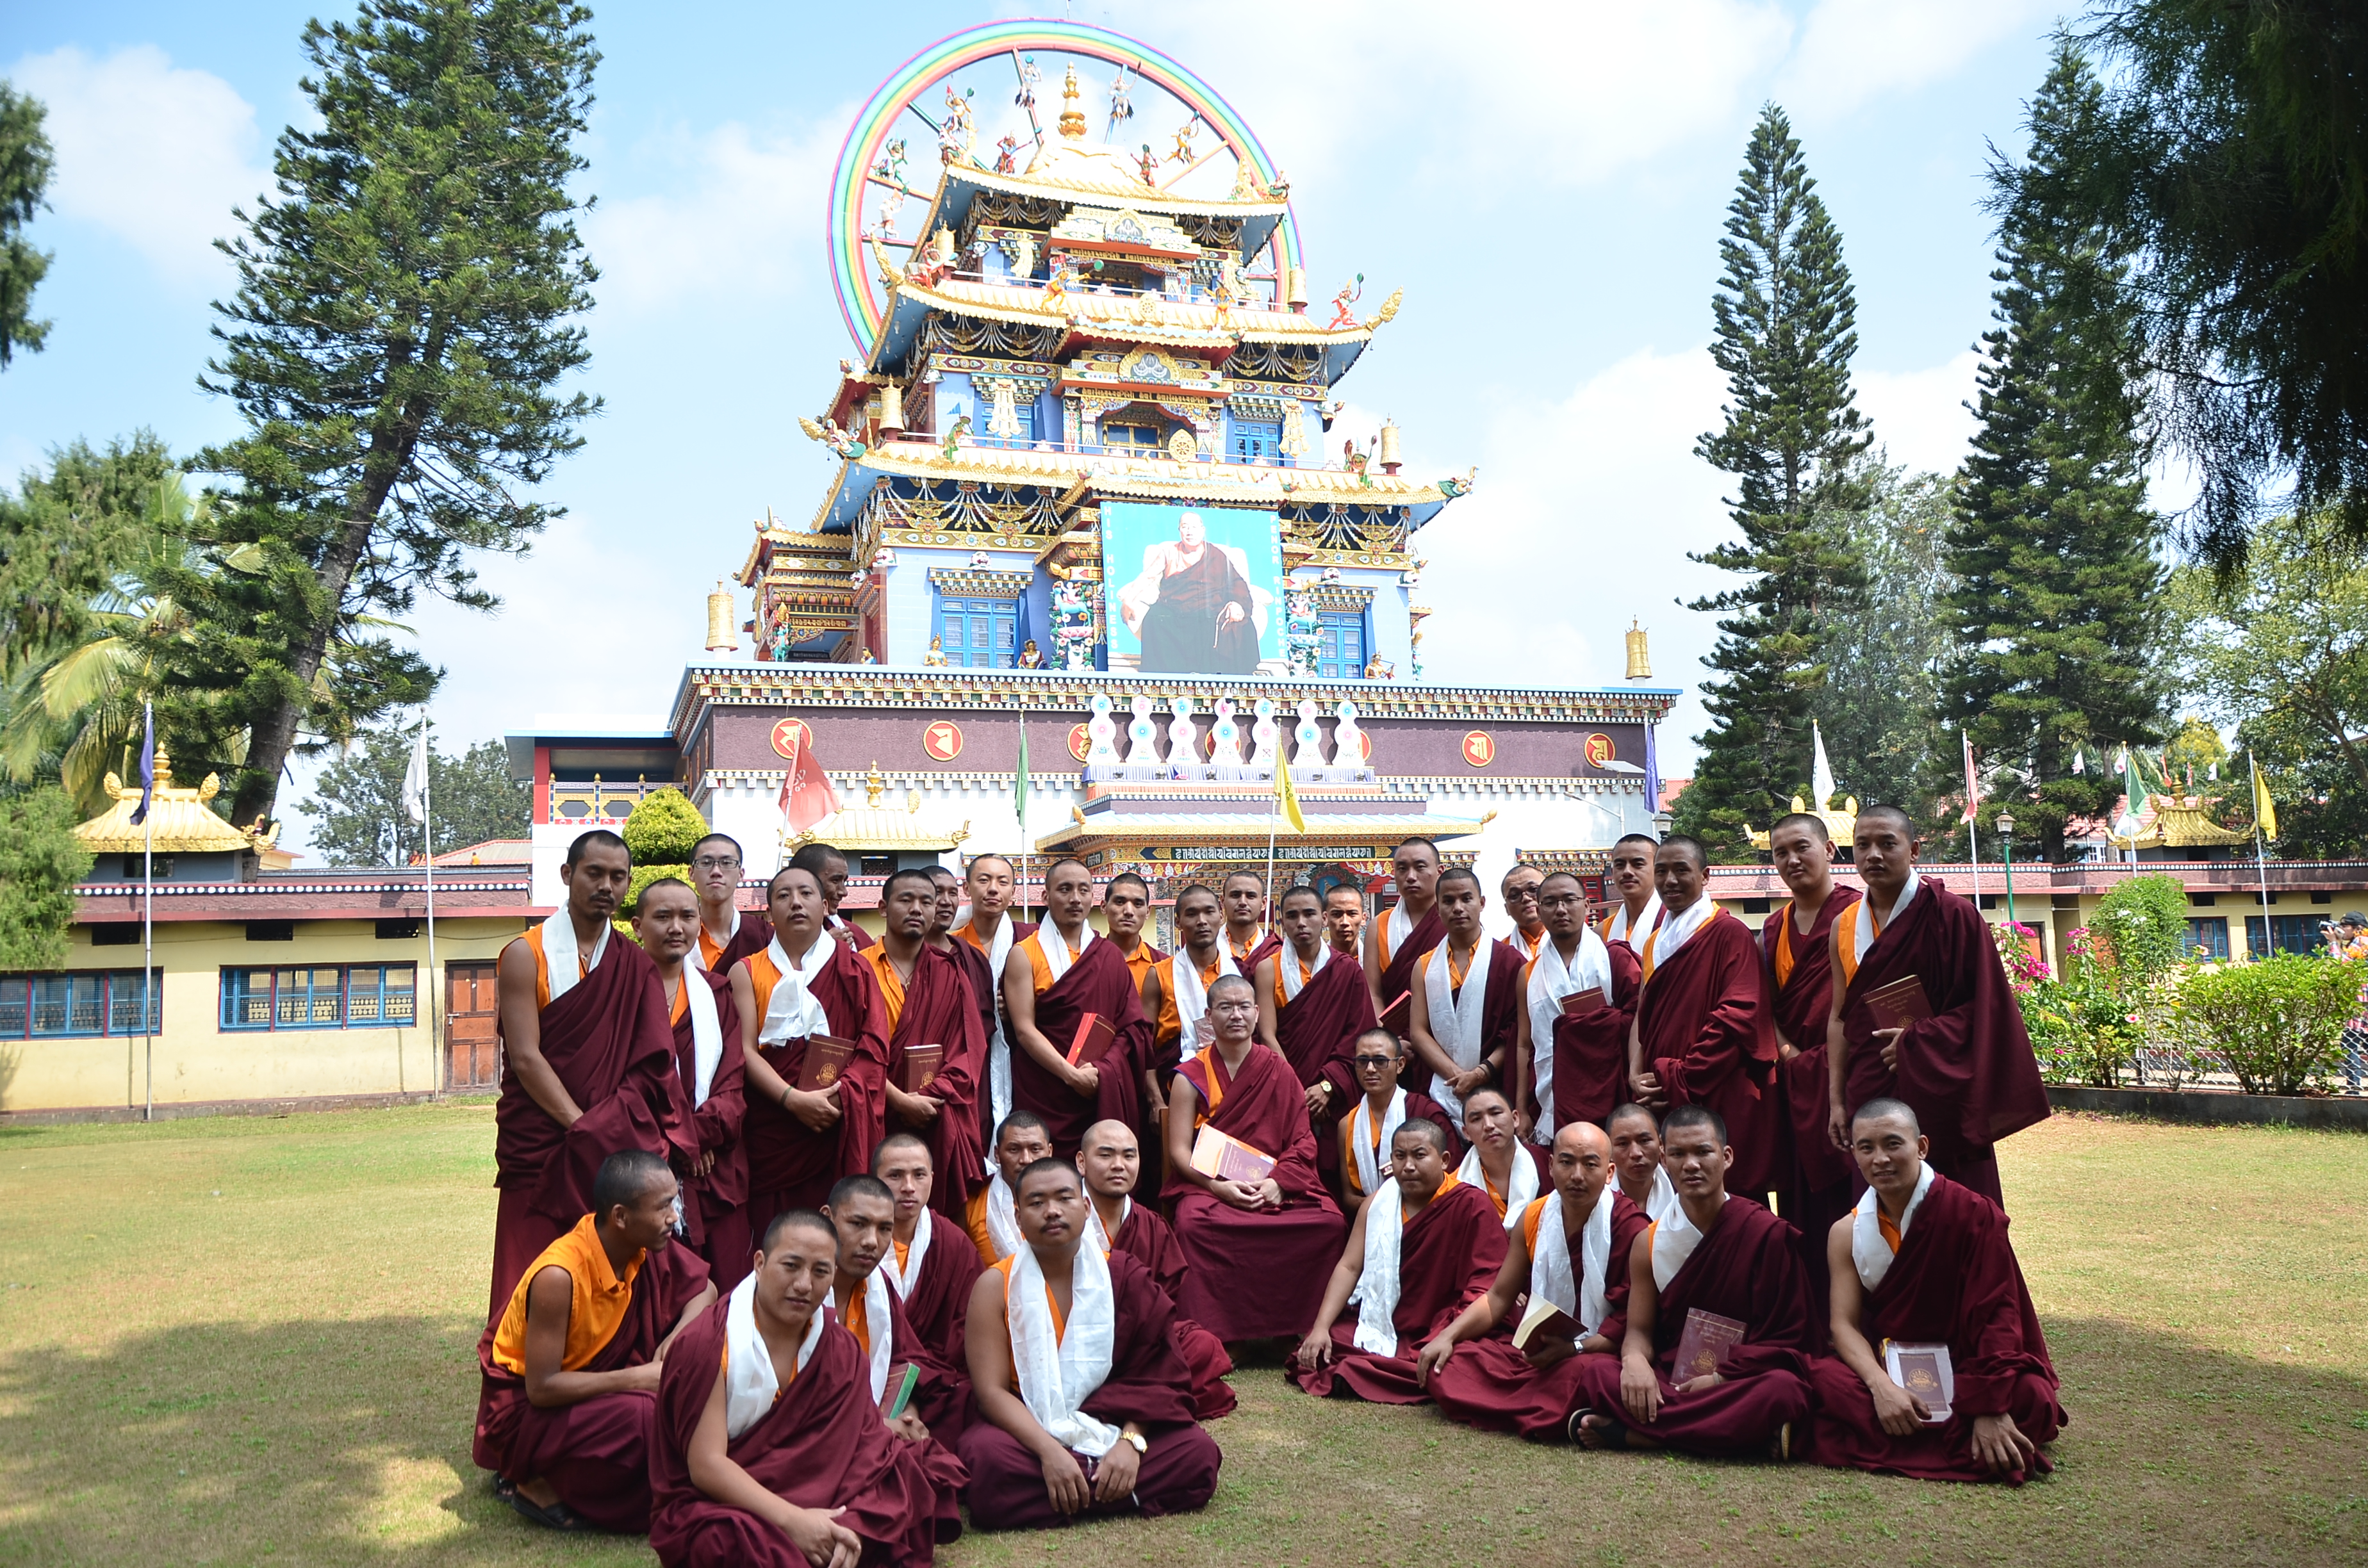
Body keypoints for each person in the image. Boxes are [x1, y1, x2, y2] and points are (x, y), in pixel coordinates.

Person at [647, 1209, 966, 1567]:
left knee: (903, 1474)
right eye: (791, 1266)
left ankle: (841, 1539)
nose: (804, 1285)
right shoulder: (707, 1343)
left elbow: (859, 1448)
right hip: (731, 1500)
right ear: (760, 1262)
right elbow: (706, 1466)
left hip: (822, 1489)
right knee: (724, 1543)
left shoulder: (838, 1347)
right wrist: (795, 1522)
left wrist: (843, 1521)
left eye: (820, 1271)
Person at [1811, 1099, 2065, 1484]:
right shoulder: (1846, 1232)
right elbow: (1843, 1325)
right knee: (1823, 1383)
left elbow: (1996, 1314)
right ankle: (1958, 1440)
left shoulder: (1972, 1214)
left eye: (1893, 1144)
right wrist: (1882, 1389)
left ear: (1922, 1147)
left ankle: (1910, 1436)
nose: (1880, 1159)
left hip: (1967, 1364)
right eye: (1866, 1148)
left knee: (2032, 1397)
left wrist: (1987, 1403)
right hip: (1892, 1365)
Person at [960, 1158, 1223, 1528]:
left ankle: (1073, 1492)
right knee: (987, 1460)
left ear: (1085, 1207)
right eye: (1036, 1203)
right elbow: (991, 1393)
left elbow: (1155, 1379)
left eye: (1064, 1198)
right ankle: (1110, 1490)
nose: (1052, 1211)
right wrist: (1050, 1452)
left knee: (1197, 1454)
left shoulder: (1123, 1274)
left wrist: (1132, 1445)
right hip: (1032, 1427)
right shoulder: (994, 1286)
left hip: (1113, 1418)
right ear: (1018, 1218)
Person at [490, 829, 689, 1318]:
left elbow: (651, 1063)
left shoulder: (634, 965)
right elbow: (526, 1057)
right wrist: (583, 1127)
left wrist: (606, 1129)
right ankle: (522, 1380)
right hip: (547, 1146)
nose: (607, 886)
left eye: (618, 877)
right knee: (532, 1273)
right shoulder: (525, 953)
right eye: (594, 873)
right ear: (567, 875)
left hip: (607, 1147)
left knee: (607, 1277)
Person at [475, 1150, 717, 1531]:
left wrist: (673, 1343)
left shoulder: (638, 1244)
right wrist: (641, 1378)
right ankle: (540, 1483)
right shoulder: (560, 1276)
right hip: (529, 1415)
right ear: (621, 1216)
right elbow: (541, 1388)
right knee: (648, 1417)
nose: (674, 1217)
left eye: (674, 1202)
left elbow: (705, 1291)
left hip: (597, 1392)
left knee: (698, 1394)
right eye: (663, 1207)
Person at [1825, 805, 2051, 1209]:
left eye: (1887, 844)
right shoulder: (1843, 925)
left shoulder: (1953, 916)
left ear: (1914, 851)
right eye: (1862, 845)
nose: (1873, 855)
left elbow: (1988, 1011)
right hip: (1871, 1087)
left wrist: (1918, 1042)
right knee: (1878, 1213)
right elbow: (1839, 1017)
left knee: (1952, 1209)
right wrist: (1837, 1100)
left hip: (1941, 1089)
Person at [1571, 1106, 1814, 1457]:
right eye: (1678, 1154)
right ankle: (1744, 1438)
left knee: (1784, 1389)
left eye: (1703, 1152)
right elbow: (1639, 1329)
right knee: (1599, 1376)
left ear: (1726, 1156)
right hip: (1673, 1376)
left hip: (1739, 1378)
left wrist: (1720, 1379)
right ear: (1664, 1161)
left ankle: (1642, 1436)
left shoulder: (1765, 1232)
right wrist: (1636, 1362)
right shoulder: (1649, 1241)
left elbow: (1789, 1338)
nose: (1691, 1165)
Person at [1422, 1122, 1652, 1440]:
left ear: (1610, 1172)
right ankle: (1553, 1412)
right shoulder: (1533, 1217)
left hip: (1592, 1351)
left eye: (1590, 1164)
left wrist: (1574, 1348)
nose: (1577, 1176)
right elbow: (1500, 1296)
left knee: (1593, 1376)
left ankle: (1534, 1406)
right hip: (1538, 1353)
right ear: (1551, 1165)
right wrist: (1448, 1336)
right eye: (1567, 1162)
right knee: (1456, 1362)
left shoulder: (1632, 1227)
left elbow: (1633, 1323)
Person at [1163, 974, 1349, 1344]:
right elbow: (1180, 1152)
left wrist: (1279, 1183)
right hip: (1211, 1187)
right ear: (1208, 1015)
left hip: (1271, 1182)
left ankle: (1298, 1326)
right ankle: (1217, 1333)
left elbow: (1302, 1139)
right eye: (1226, 1007)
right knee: (1192, 1225)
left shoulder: (1278, 1070)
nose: (1236, 1015)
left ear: (1257, 1012)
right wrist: (1218, 1188)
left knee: (1328, 1223)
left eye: (1244, 1006)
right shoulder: (1190, 1077)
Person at [1288, 1119, 1504, 1403]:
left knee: (1465, 1359)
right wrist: (1320, 1328)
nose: (1409, 1166)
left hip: (1444, 1322)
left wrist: (1449, 1334)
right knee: (1322, 1345)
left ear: (1445, 1160)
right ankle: (1374, 1372)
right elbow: (1349, 1266)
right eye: (1400, 1157)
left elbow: (1487, 1288)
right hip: (1386, 1320)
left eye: (1419, 1155)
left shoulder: (1471, 1205)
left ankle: (1365, 1374)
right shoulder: (1378, 1205)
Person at [730, 865, 890, 1230]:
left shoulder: (855, 968)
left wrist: (842, 1095)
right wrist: (792, 1100)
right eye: (783, 896)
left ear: (824, 905)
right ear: (769, 914)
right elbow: (744, 1052)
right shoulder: (747, 971)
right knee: (775, 1232)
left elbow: (874, 1045)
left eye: (806, 894)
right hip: (773, 1127)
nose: (796, 903)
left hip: (837, 1121)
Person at [1627, 836, 1782, 1200]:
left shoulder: (1729, 933)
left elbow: (1738, 1016)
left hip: (1718, 1084)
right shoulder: (1653, 943)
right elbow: (1645, 1013)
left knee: (1729, 1194)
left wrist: (1681, 1075)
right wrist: (1637, 1072)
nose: (1670, 881)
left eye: (1682, 870)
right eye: (1661, 871)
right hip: (1664, 1088)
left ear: (1705, 875)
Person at [1076, 1117, 1237, 1420]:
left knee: (1201, 1345)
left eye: (1129, 1155)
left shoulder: (1151, 1226)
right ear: (1081, 1162)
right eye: (1106, 1155)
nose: (1119, 1165)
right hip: (1077, 1340)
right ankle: (1147, 1397)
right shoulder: (1062, 1219)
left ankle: (1114, 1396)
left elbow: (1166, 1305)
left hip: (1140, 1345)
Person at [1761, 812, 1862, 1298]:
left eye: (1802, 847)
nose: (1791, 860)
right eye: (1780, 853)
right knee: (1802, 1202)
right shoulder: (1772, 927)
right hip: (1798, 1080)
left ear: (1830, 851)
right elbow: (1766, 1004)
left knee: (1856, 1194)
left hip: (1854, 1076)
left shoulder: (1860, 914)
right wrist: (1789, 1053)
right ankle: (1815, 1312)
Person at [636, 878, 752, 1289]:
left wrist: (698, 1138)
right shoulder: (620, 993)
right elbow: (619, 1086)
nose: (676, 927)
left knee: (724, 1287)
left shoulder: (718, 993)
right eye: (662, 917)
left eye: (687, 916)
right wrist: (682, 1142)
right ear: (637, 925)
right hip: (646, 1162)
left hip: (713, 1163)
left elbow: (732, 1081)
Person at [1001, 858, 1153, 1160]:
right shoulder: (1024, 954)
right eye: (1065, 889)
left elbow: (1131, 1026)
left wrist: (1103, 1069)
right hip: (1043, 1086)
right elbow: (1024, 1029)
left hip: (1097, 1087)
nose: (1075, 899)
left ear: (1092, 898)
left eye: (1083, 890)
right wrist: (1071, 1075)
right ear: (1045, 896)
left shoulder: (1108, 955)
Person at [865, 869, 988, 1223]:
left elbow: (969, 1050)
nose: (917, 908)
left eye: (926, 901)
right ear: (883, 908)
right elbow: (849, 1053)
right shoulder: (858, 968)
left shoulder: (950, 972)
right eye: (906, 900)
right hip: (874, 1111)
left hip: (936, 1113)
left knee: (938, 1223)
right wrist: (899, 1099)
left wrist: (933, 1094)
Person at [822, 1173, 970, 1444]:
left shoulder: (880, 1287)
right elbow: (796, 1397)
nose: (871, 1241)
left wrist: (907, 1411)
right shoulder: (798, 1290)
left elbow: (904, 1360)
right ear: (827, 1217)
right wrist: (877, 1426)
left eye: (884, 1229)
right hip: (822, 1437)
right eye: (858, 1224)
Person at [1254, 885, 1379, 1168]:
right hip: (1285, 1087)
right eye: (1292, 916)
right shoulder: (1267, 969)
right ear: (1281, 920)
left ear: (1323, 918)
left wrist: (1327, 1086)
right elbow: (1267, 1035)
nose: (1301, 923)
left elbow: (1358, 1036)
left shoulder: (1347, 970)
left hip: (1336, 1090)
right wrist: (1296, 1090)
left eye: (1309, 914)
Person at [1514, 870, 1639, 1143]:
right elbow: (1525, 1044)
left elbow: (1640, 1020)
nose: (1561, 909)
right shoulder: (1528, 974)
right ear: (1539, 910)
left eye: (1570, 900)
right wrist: (1522, 1109)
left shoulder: (1614, 958)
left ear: (1586, 905)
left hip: (1610, 1084)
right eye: (1550, 902)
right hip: (1554, 1091)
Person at [1406, 868, 1525, 1123]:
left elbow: (1516, 1031)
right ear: (1437, 908)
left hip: (1495, 1084)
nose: (1458, 908)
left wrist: (1481, 1074)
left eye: (1466, 899)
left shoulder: (1509, 962)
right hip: (1439, 1087)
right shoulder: (1424, 966)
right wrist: (1457, 1075)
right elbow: (1418, 1032)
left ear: (1482, 903)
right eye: (1448, 901)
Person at [873, 1132, 985, 1374]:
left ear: (932, 1179)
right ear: (874, 1179)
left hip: (936, 1373)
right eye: (895, 1175)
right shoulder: (857, 1243)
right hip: (869, 1365)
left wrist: (921, 1370)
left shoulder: (953, 1242)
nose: (909, 1187)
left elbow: (970, 1323)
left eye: (919, 1175)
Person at [1117, 507, 1269, 676]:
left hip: (1210, 607)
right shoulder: (1169, 552)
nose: (1190, 532)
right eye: (1185, 527)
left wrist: (1237, 604)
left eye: (1195, 527)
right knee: (1155, 619)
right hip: (1175, 608)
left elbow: (1236, 583)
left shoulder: (1216, 555)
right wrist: (1128, 601)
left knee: (1240, 626)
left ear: (1203, 531)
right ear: (1179, 530)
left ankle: (1219, 675)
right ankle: (1163, 678)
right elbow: (1147, 577)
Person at [951, 854, 1035, 1141]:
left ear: (1013, 892)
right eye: (983, 880)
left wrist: (1017, 1010)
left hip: (1021, 1057)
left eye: (1003, 882)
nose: (993, 889)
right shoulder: (953, 945)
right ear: (967, 888)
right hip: (967, 1057)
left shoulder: (1030, 942)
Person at [1337, 1027, 1461, 1213]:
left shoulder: (1425, 1113)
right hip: (1372, 1220)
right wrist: (1385, 1206)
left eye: (1380, 1061)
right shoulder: (1347, 1125)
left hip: (1427, 1215)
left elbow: (1452, 1180)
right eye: (1363, 1061)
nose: (1370, 1069)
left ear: (1400, 1065)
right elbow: (1348, 1197)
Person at [1365, 838, 1445, 1041]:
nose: (1410, 877)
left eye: (1419, 867)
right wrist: (1389, 1040)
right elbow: (1373, 993)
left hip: (1446, 1032)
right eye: (1402, 869)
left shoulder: (1453, 921)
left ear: (1440, 872)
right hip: (1395, 1039)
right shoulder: (1379, 925)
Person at [967, 1111, 1055, 1264]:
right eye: (1014, 1150)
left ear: (1050, 1152)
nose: (1026, 1160)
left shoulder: (1069, 1202)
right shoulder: (973, 1205)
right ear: (997, 1154)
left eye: (1035, 1149)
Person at [1456, 1086, 1545, 1225]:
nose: (1488, 1125)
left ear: (1515, 1118)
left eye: (1496, 1113)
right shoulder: (1454, 1185)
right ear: (1466, 1133)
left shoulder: (1547, 1165)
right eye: (1476, 1119)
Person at [687, 833, 771, 973]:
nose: (716, 872)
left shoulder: (763, 936)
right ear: (691, 874)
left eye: (727, 863)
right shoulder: (678, 933)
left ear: (741, 875)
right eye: (706, 863)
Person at [791, 841, 878, 952]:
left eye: (844, 881)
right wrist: (823, 949)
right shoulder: (770, 935)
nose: (844, 892)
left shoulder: (854, 935)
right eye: (835, 880)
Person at [1605, 1101, 1681, 1221]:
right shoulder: (1597, 1198)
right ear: (1608, 1151)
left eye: (1644, 1141)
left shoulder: (1681, 1187)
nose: (1636, 1153)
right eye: (1623, 1144)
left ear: (1661, 1145)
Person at [1100, 872, 1164, 996]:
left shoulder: (1162, 965)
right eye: (1119, 902)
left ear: (1147, 912)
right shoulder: (1088, 960)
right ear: (1104, 907)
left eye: (1138, 904)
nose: (1129, 911)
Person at [1597, 833, 1663, 946]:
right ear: (1613, 873)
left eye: (1638, 864)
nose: (1627, 871)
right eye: (1620, 865)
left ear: (1658, 870)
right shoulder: (1602, 932)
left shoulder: (1673, 921)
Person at [1220, 870, 1280, 970]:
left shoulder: (1275, 952)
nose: (1243, 902)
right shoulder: (1207, 949)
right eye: (1235, 895)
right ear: (1222, 902)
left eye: (1251, 896)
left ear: (1264, 903)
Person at [1501, 862, 1549, 963]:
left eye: (1533, 889)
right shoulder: (1500, 953)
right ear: (1507, 909)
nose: (1526, 898)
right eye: (1514, 895)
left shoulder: (1574, 940)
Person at [1323, 881, 1367, 958]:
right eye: (1336, 914)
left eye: (1352, 914)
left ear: (1363, 919)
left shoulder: (1375, 962)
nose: (1345, 922)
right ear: (1325, 919)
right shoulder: (1315, 965)